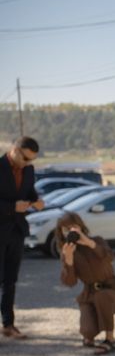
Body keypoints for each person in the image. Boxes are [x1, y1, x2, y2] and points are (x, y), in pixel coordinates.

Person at [56, 212, 115, 355]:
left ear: (80, 227)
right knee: (87, 332)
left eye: (72, 227)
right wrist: (69, 260)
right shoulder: (68, 252)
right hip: (89, 295)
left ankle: (110, 339)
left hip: (114, 291)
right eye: (65, 229)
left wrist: (89, 243)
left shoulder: (97, 241)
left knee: (102, 297)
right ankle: (91, 335)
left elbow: (110, 256)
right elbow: (70, 282)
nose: (69, 232)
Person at [0, 136, 44, 339]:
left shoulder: (29, 170)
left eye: (32, 161)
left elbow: (29, 192)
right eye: (26, 159)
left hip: (17, 231)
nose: (28, 164)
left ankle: (8, 324)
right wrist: (12, 208)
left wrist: (36, 201)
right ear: (15, 150)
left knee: (10, 280)